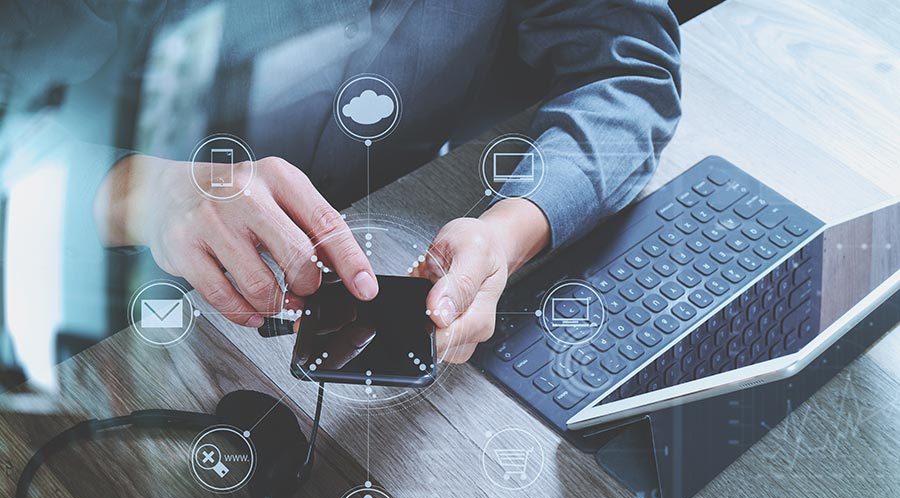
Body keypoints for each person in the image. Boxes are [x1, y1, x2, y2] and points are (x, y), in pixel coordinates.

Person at [1, 0, 681, 365]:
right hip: (84, 319)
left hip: (355, 299)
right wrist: (138, 192)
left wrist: (508, 234)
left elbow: (629, 71)